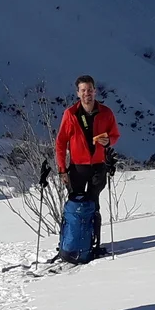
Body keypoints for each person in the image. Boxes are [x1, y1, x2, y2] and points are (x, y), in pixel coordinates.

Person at [54, 74, 121, 254]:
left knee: (94, 205)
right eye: (83, 90)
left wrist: (109, 141)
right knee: (74, 206)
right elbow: (60, 142)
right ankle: (72, 242)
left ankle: (93, 243)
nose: (87, 93)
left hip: (99, 166)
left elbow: (115, 134)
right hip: (77, 168)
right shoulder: (71, 114)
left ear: (95, 91)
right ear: (78, 93)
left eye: (89, 90)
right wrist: (62, 169)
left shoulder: (106, 112)